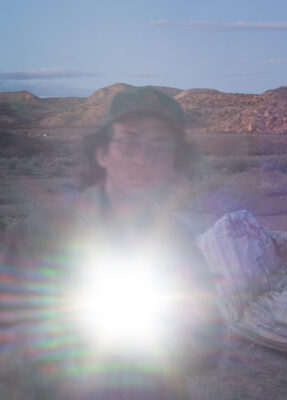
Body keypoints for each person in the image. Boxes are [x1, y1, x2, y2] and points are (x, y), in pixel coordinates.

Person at [0, 86, 219, 399]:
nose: (142, 160)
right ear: (102, 152)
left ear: (174, 162)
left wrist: (179, 336)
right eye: (130, 143)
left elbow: (206, 350)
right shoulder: (47, 231)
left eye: (159, 147)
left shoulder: (179, 243)